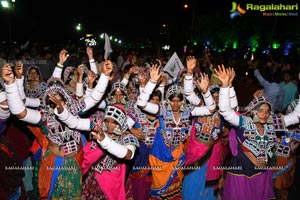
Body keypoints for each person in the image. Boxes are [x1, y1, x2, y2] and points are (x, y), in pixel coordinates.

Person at [1, 52, 113, 199]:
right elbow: (20, 112)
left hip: (73, 163)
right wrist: (10, 84)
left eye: (59, 95)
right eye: (51, 96)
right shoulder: (45, 115)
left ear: (65, 97)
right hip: (52, 164)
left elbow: (94, 98)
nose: (55, 98)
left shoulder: (74, 109)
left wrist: (104, 76)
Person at [214, 64, 300, 200]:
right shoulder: (245, 124)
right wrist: (225, 86)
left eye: (267, 111)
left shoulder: (272, 125)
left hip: (262, 176)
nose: (264, 114)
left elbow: (296, 116)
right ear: (253, 112)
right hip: (242, 176)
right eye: (260, 110)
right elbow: (226, 112)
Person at [137, 64, 216, 199]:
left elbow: (210, 109)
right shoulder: (161, 110)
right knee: (160, 191)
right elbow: (142, 103)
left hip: (178, 155)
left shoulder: (187, 111)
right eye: (172, 101)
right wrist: (152, 82)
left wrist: (205, 92)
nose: (175, 104)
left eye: (179, 101)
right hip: (160, 156)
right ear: (168, 101)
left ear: (183, 101)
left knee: (176, 188)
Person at [51, 101, 139, 200]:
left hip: (110, 183)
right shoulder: (98, 125)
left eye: (114, 122)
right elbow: (75, 123)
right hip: (91, 177)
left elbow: (129, 155)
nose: (109, 125)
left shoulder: (127, 136)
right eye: (107, 121)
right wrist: (62, 112)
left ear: (121, 122)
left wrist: (105, 141)